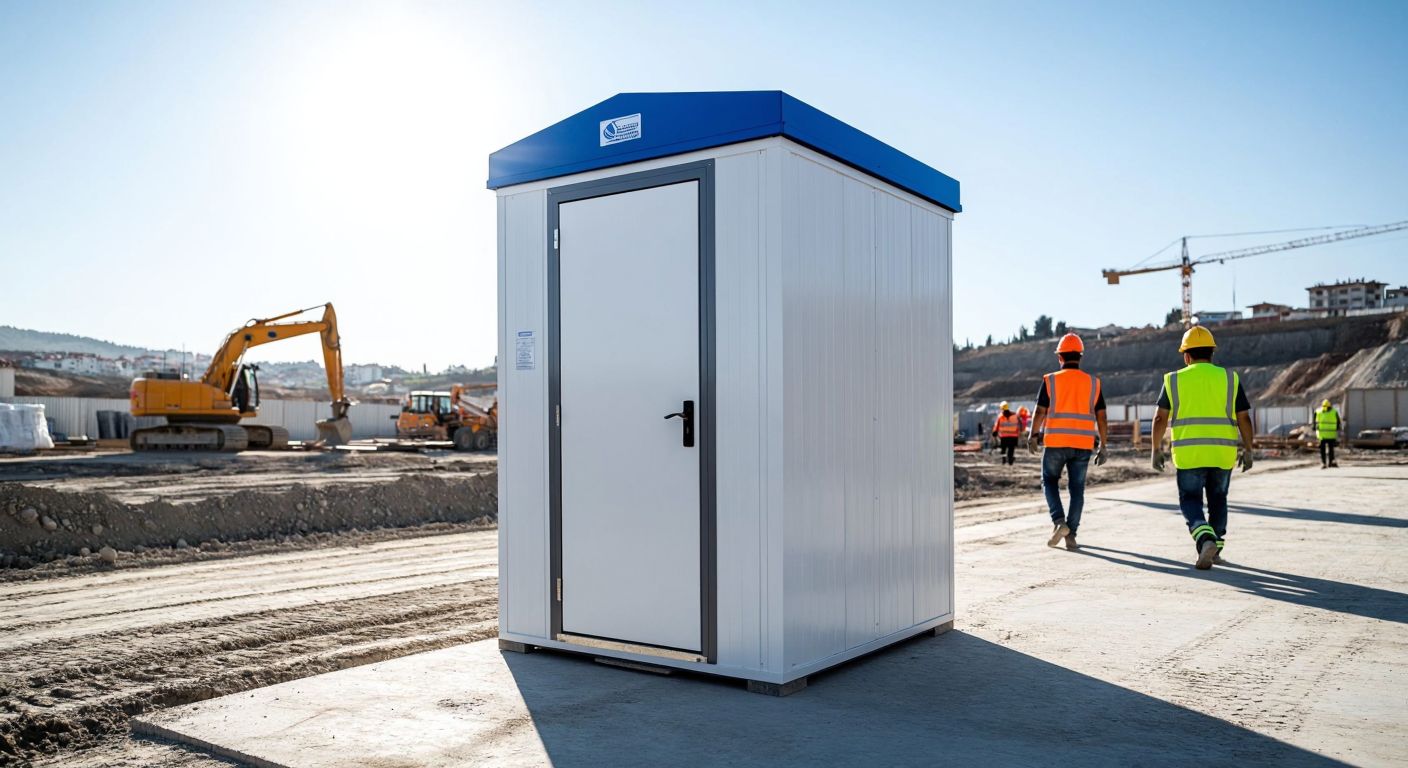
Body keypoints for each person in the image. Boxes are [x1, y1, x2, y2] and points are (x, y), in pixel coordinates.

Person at [1150, 325, 1255, 570]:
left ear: (1186, 356)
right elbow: (1244, 418)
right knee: (1219, 498)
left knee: (1190, 499)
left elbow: (1159, 419)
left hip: (1189, 454)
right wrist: (1249, 449)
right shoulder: (1230, 378)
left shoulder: (1174, 379)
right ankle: (1215, 545)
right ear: (1212, 353)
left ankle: (1204, 538)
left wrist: (1156, 449)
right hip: (1222, 452)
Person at [1027, 333, 1107, 550]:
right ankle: (1071, 535)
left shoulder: (1050, 380)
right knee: (1077, 490)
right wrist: (1104, 445)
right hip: (1083, 444)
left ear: (1060, 357)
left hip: (1055, 442)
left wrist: (1033, 435)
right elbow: (1101, 415)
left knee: (1049, 481)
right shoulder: (1093, 383)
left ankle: (1059, 522)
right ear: (1080, 357)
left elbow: (1040, 411)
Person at [1315, 398, 1342, 468]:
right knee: (1331, 449)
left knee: (1323, 450)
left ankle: (1324, 463)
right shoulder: (1334, 411)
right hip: (1331, 434)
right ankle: (1330, 462)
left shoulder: (1318, 412)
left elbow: (1315, 423)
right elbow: (1338, 422)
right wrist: (1338, 429)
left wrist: (1315, 428)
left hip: (1322, 435)